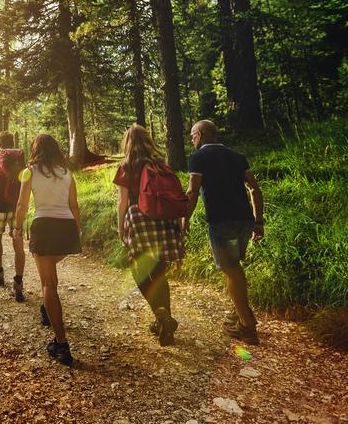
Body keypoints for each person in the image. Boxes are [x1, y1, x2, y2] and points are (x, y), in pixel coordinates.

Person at [186, 120, 264, 345]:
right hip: (245, 220)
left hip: (221, 221)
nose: (192, 141)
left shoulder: (198, 157)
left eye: (192, 136)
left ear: (200, 135)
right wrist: (258, 222)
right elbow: (255, 190)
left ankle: (246, 326)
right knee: (236, 268)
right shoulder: (238, 157)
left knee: (231, 270)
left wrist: (184, 220)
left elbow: (192, 193)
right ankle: (239, 312)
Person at [113, 124, 188, 346]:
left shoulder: (127, 166)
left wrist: (120, 228)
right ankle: (164, 326)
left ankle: (161, 315)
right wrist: (179, 223)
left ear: (127, 142)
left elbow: (122, 202)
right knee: (160, 273)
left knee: (140, 273)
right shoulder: (161, 164)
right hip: (165, 220)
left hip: (140, 219)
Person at [13, 134, 82, 365]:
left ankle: (61, 344)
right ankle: (48, 309)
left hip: (44, 227)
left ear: (36, 149)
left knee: (48, 284)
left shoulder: (30, 170)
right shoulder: (66, 172)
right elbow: (74, 206)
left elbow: (22, 204)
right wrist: (77, 231)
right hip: (66, 228)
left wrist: (17, 227)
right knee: (51, 277)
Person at [0, 131, 26, 301]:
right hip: (16, 207)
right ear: (13, 142)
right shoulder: (21, 163)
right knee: (18, 243)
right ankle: (18, 281)